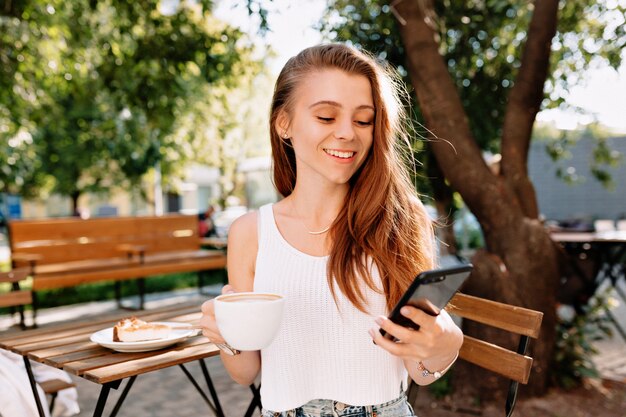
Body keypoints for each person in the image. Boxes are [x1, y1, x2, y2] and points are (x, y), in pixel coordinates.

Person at [199, 44, 463, 417]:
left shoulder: (403, 221)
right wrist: (226, 337)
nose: (347, 134)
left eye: (363, 120)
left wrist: (445, 343)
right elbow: (246, 373)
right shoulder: (250, 233)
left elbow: (420, 373)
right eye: (326, 117)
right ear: (284, 123)